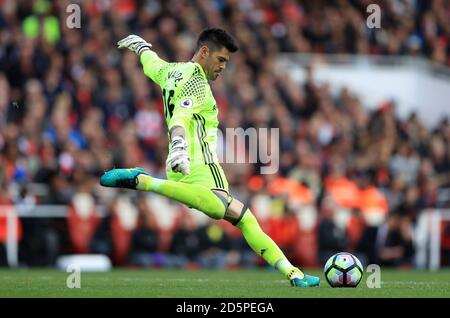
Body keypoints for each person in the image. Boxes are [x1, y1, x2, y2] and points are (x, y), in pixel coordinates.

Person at [100, 28, 319, 287]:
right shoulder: (198, 83)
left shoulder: (171, 71)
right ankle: (144, 181)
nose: (223, 67)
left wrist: (141, 48)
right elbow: (181, 116)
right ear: (204, 52)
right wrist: (179, 145)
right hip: (201, 167)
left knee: (246, 219)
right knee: (218, 207)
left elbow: (152, 65)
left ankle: (293, 274)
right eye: (221, 60)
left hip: (181, 167)